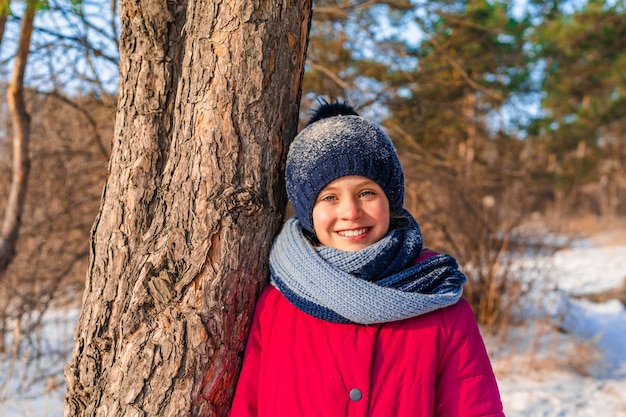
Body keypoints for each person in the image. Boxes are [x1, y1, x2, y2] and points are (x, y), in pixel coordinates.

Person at [229, 100, 505, 417]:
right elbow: (248, 407)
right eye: (329, 197)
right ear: (308, 211)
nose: (350, 212)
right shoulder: (278, 304)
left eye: (366, 193)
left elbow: (474, 409)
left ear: (391, 199)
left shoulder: (439, 299)